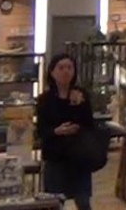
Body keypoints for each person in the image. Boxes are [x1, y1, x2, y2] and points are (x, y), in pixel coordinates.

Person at [36, 54, 97, 210]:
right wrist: (57, 131)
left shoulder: (81, 95)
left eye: (69, 67)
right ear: (52, 72)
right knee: (54, 203)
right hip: (55, 157)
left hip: (79, 156)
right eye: (61, 67)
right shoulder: (45, 99)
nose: (66, 71)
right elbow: (41, 130)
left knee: (83, 201)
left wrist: (76, 107)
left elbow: (89, 125)